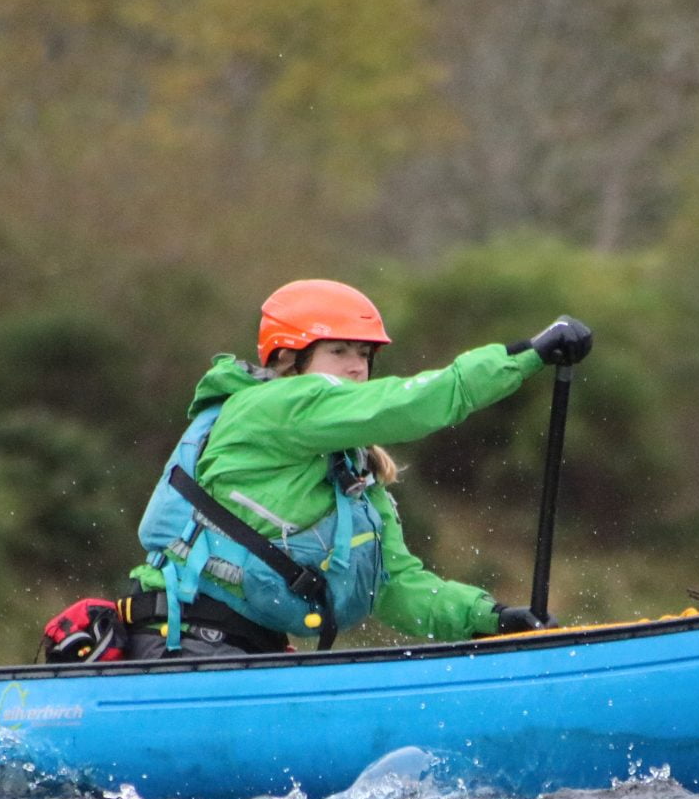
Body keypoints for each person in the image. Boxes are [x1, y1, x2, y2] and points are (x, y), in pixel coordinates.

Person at [125, 278, 592, 658]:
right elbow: (414, 404)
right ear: (287, 359)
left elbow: (392, 585)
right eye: (339, 351)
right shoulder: (271, 406)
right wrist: (527, 355)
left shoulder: (351, 472)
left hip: (249, 650)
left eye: (364, 355)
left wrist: (491, 617)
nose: (356, 368)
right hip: (181, 644)